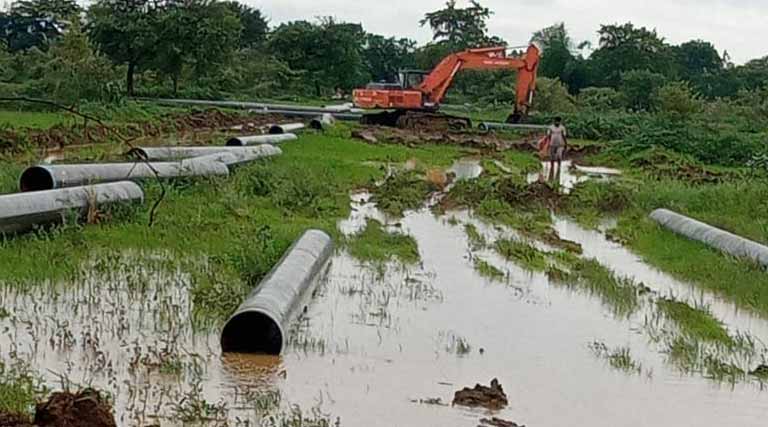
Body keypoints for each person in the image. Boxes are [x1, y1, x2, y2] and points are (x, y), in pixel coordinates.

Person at [547, 117, 568, 181]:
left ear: (560, 122)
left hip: (560, 144)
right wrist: (548, 143)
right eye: (556, 121)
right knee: (552, 157)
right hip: (552, 144)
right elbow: (549, 136)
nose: (557, 122)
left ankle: (559, 167)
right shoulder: (551, 128)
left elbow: (564, 136)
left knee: (559, 156)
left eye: (558, 121)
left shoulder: (562, 128)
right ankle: (552, 167)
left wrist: (566, 144)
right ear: (554, 121)